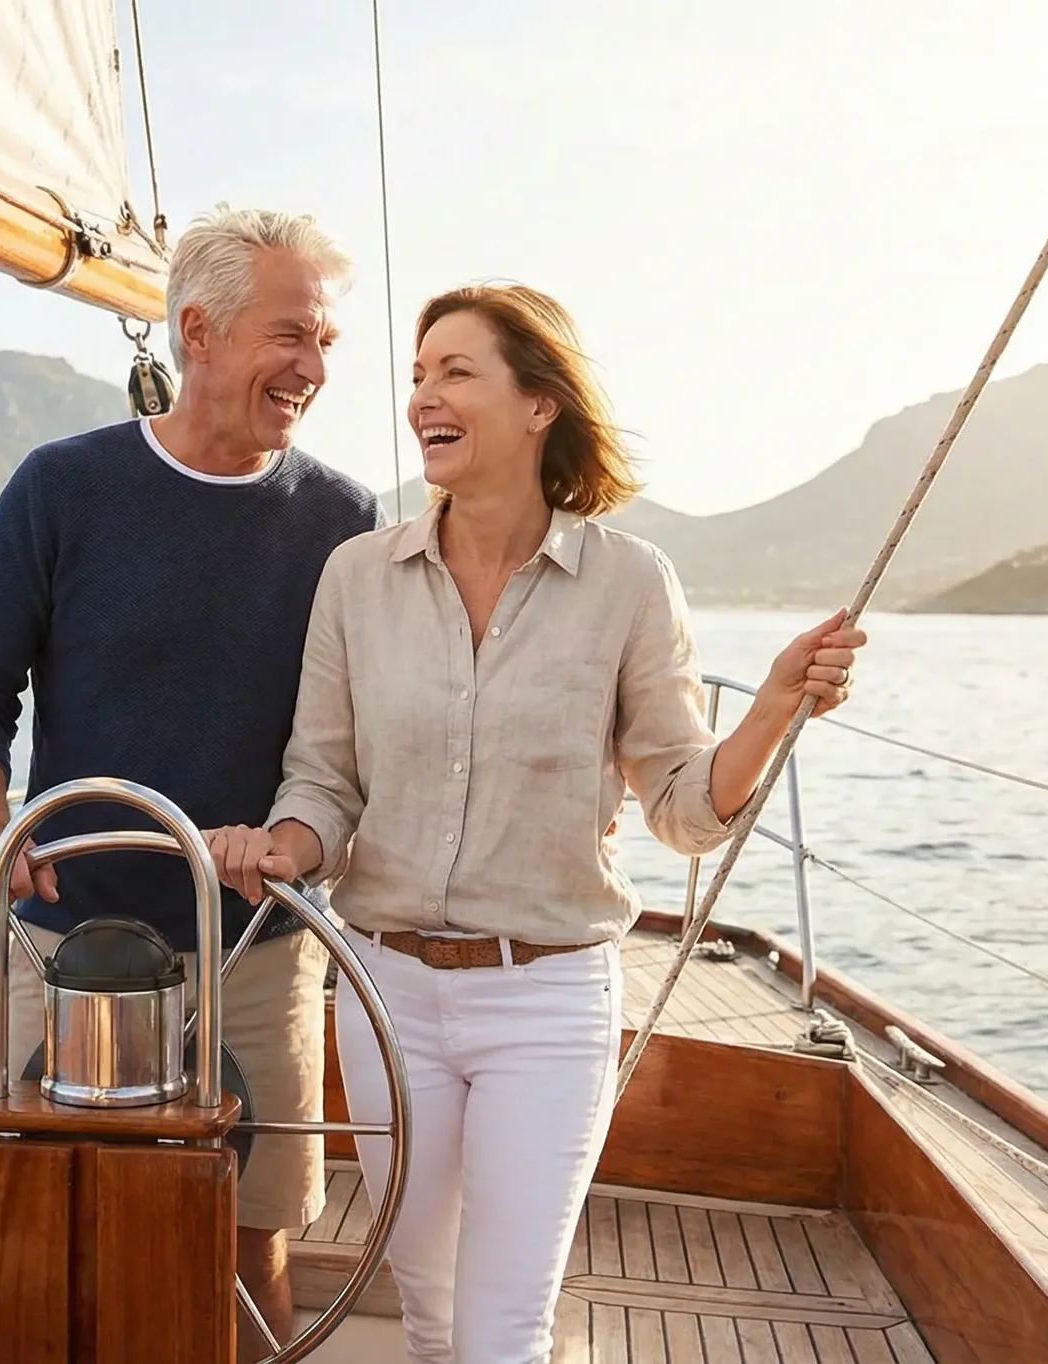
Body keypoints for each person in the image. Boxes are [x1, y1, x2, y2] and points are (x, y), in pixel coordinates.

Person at [204, 284, 867, 1363]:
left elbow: (686, 806)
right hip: (387, 994)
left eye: (456, 371)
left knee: (502, 1326)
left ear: (537, 405)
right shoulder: (356, 578)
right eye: (418, 375)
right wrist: (286, 845)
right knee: (427, 1309)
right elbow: (322, 778)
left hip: (546, 998)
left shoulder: (629, 583)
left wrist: (776, 707)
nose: (424, 395)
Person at [0, 206, 381, 1352]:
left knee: (248, 1236)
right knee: (44, 1230)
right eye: (292, 335)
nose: (314, 369)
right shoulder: (61, 487)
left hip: (257, 946)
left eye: (325, 342)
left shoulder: (344, 520)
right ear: (199, 332)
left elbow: (355, 742)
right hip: (59, 940)